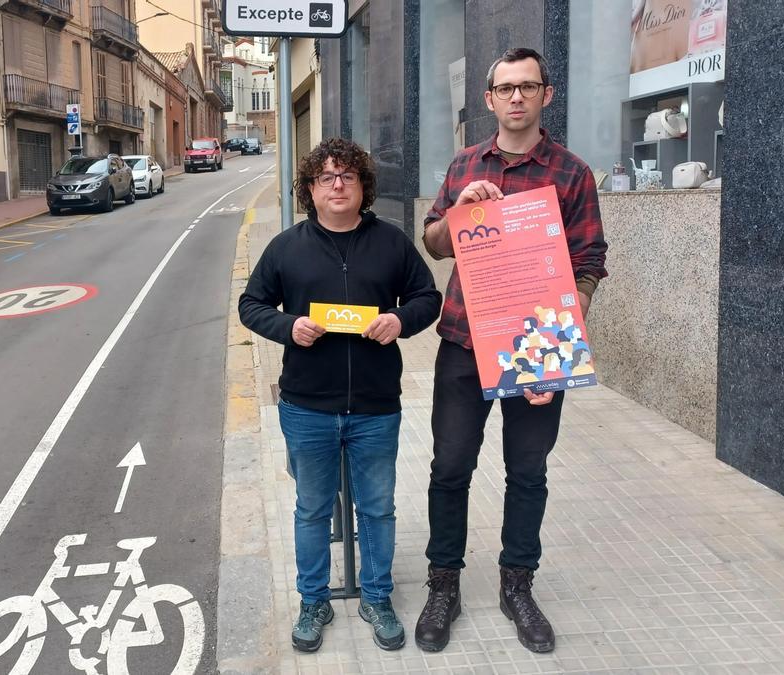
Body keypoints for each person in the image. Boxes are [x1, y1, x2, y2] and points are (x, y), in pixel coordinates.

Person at [416, 47, 608, 654]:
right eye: (506, 88)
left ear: (546, 95)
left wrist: (557, 349)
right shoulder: (465, 164)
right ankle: (443, 583)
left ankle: (517, 585)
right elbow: (434, 244)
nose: (517, 97)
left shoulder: (572, 173)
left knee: (528, 473)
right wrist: (457, 213)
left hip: (537, 348)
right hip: (465, 342)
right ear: (490, 99)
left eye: (528, 87)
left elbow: (589, 263)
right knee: (450, 468)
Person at [239, 138, 442, 653]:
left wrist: (399, 319)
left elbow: (427, 297)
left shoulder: (392, 243)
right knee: (311, 509)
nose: (337, 185)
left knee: (377, 509)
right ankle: (314, 599)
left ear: (362, 186)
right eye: (326, 177)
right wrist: (289, 327)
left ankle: (376, 596)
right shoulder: (287, 246)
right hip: (307, 405)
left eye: (347, 176)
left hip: (375, 405)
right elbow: (251, 303)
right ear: (310, 188)